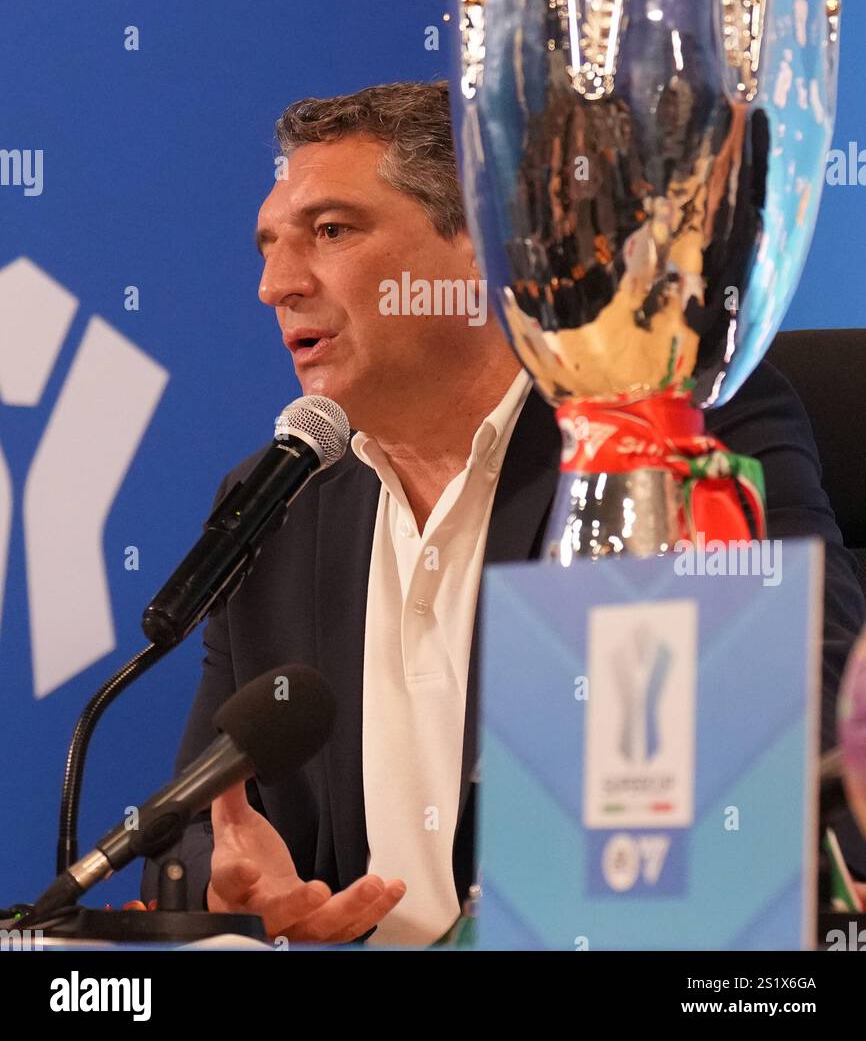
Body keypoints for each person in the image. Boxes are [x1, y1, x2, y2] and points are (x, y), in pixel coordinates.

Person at [140, 79, 866, 944]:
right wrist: (229, 885)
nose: (276, 285)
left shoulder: (661, 436)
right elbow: (191, 827)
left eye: (330, 232)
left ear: (484, 245)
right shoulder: (275, 504)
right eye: (267, 246)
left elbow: (811, 722)